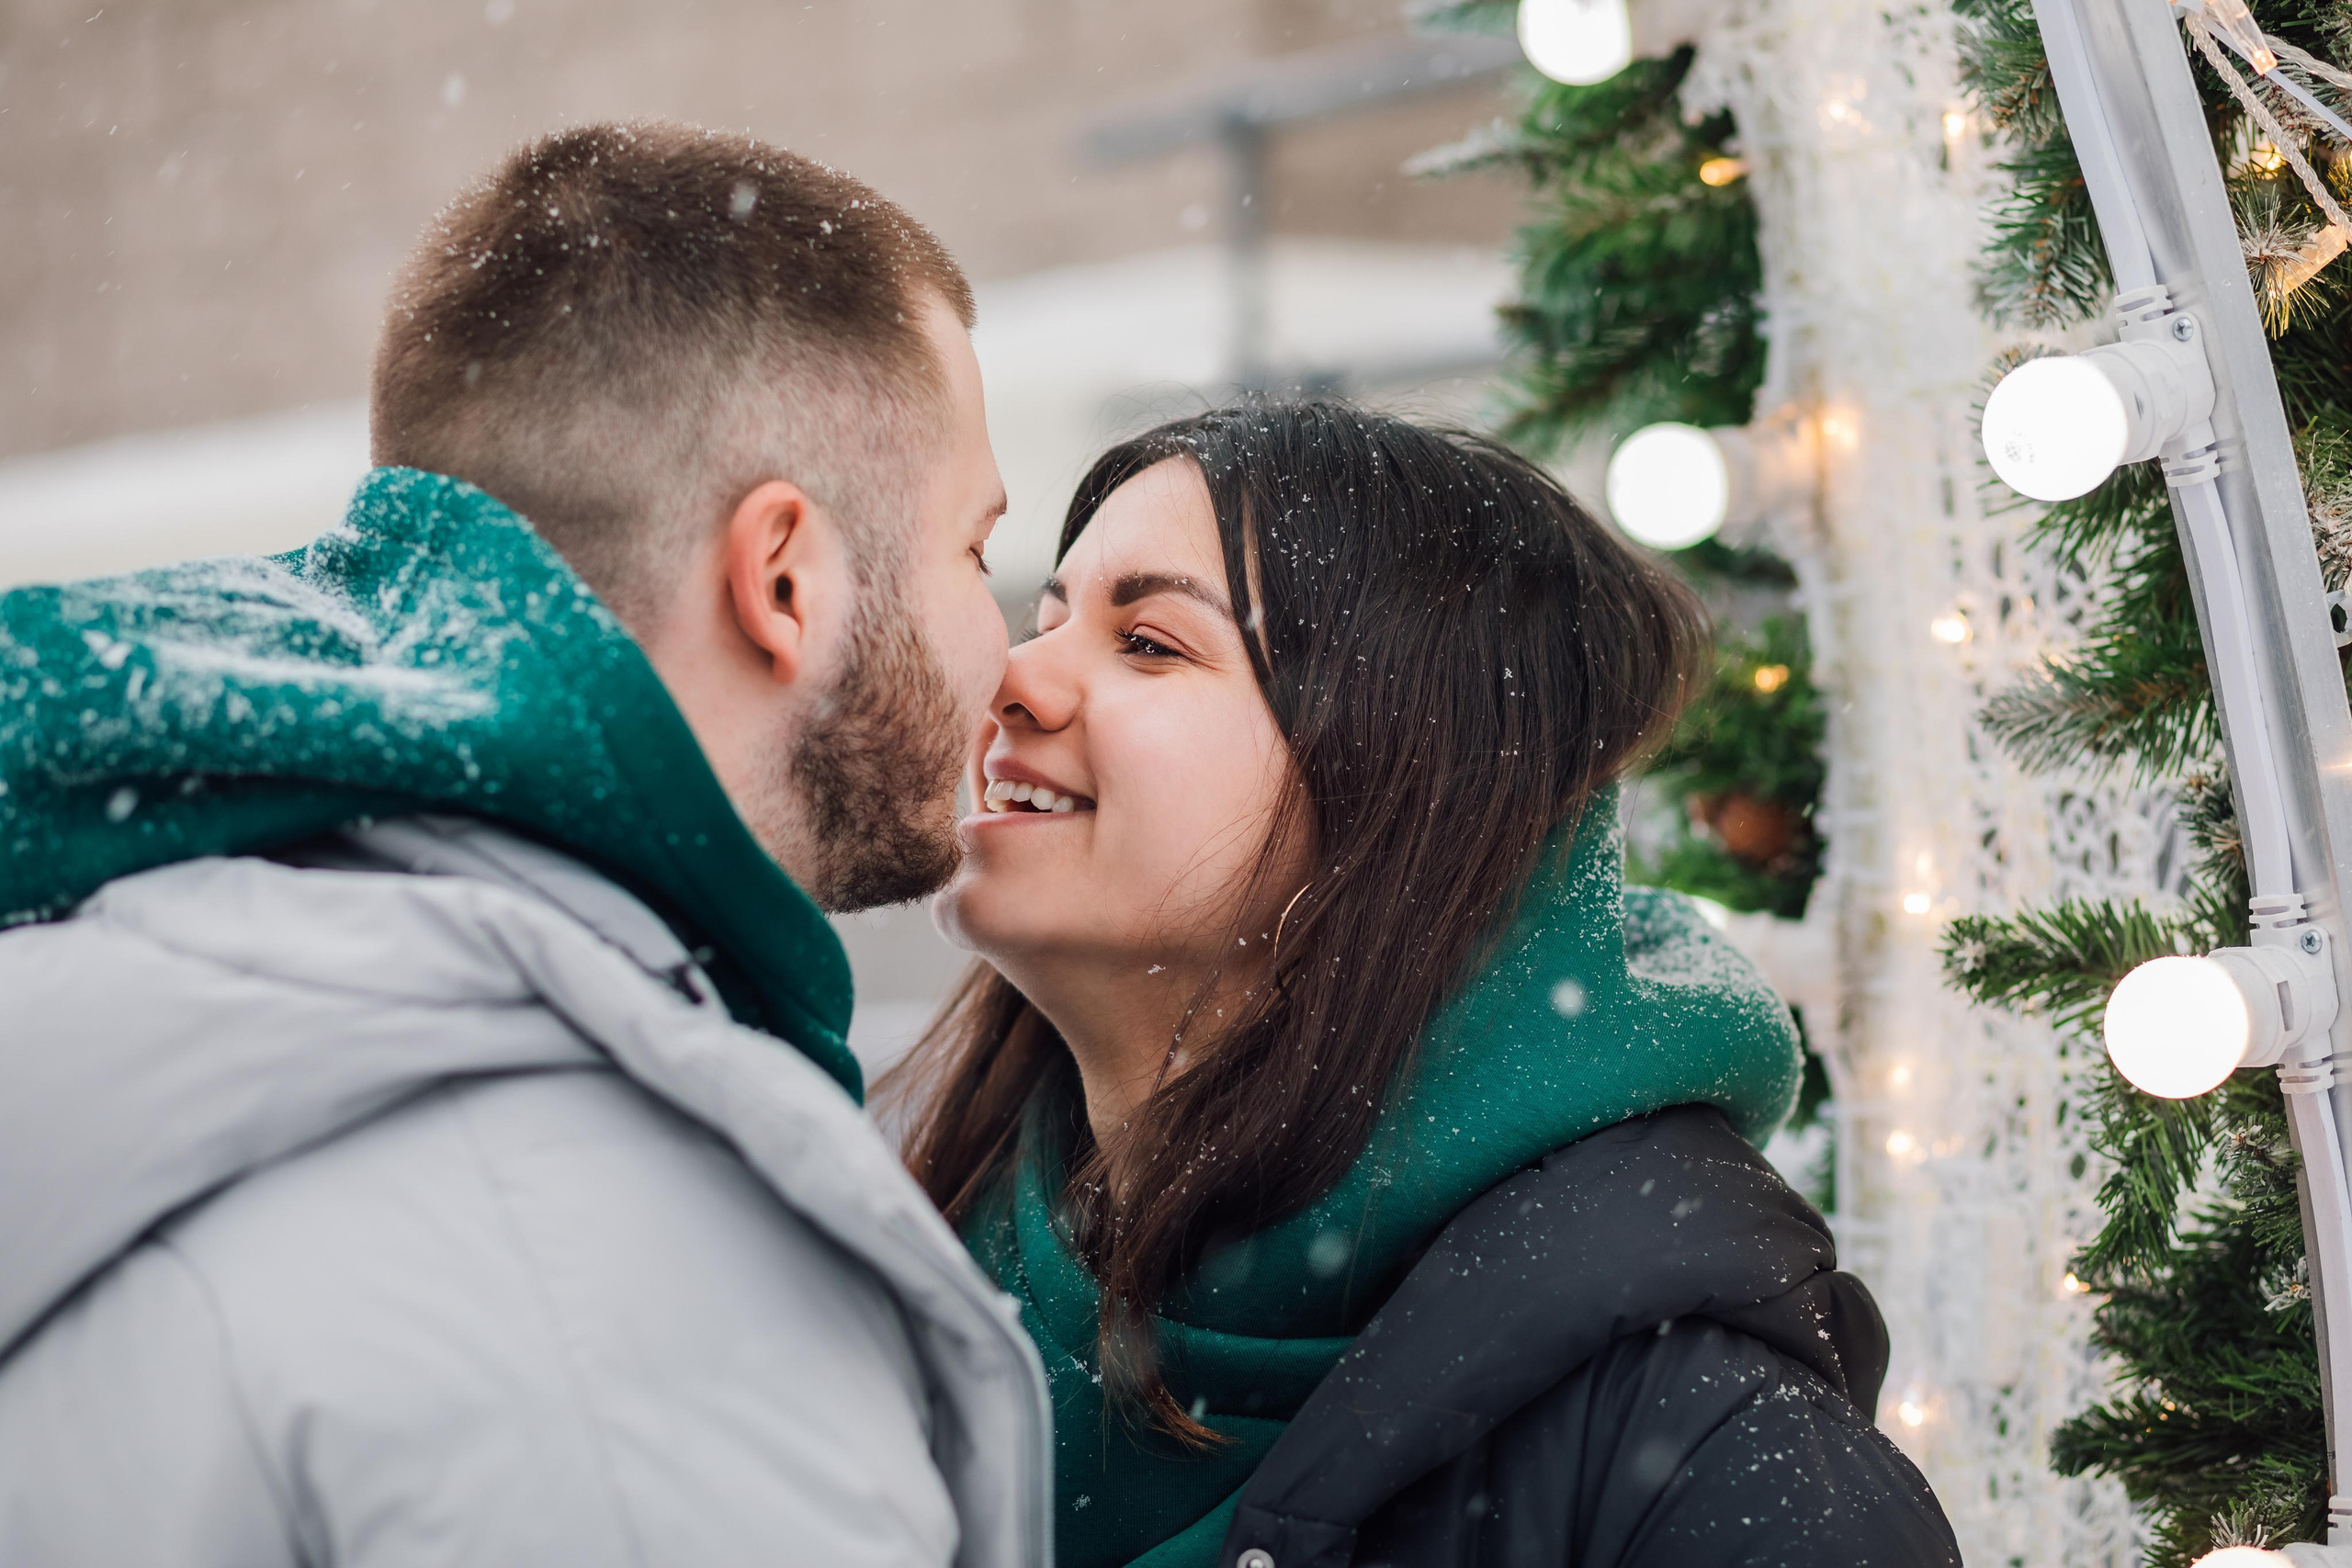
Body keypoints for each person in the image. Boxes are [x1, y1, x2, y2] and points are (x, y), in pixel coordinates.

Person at [0, 122, 1052, 1567]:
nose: (1008, 654)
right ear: (786, 577)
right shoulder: (625, 1293)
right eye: (975, 547)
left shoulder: (205, 949)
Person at [882, 400, 1963, 1568]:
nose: (1011, 677)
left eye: (1149, 642)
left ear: (1409, 794)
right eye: (1047, 619)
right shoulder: (882, 1302)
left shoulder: (1717, 1471)